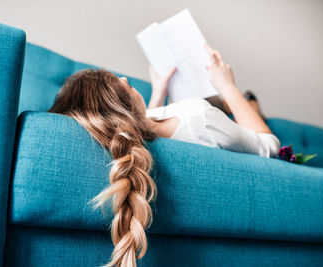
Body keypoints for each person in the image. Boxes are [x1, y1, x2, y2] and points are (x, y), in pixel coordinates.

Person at [48, 44, 280, 267]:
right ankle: (247, 106)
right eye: (115, 82)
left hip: (191, 117)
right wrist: (227, 85)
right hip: (221, 124)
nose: (124, 79)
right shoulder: (202, 121)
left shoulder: (137, 133)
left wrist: (159, 91)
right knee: (245, 103)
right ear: (117, 106)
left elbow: (144, 125)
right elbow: (269, 146)